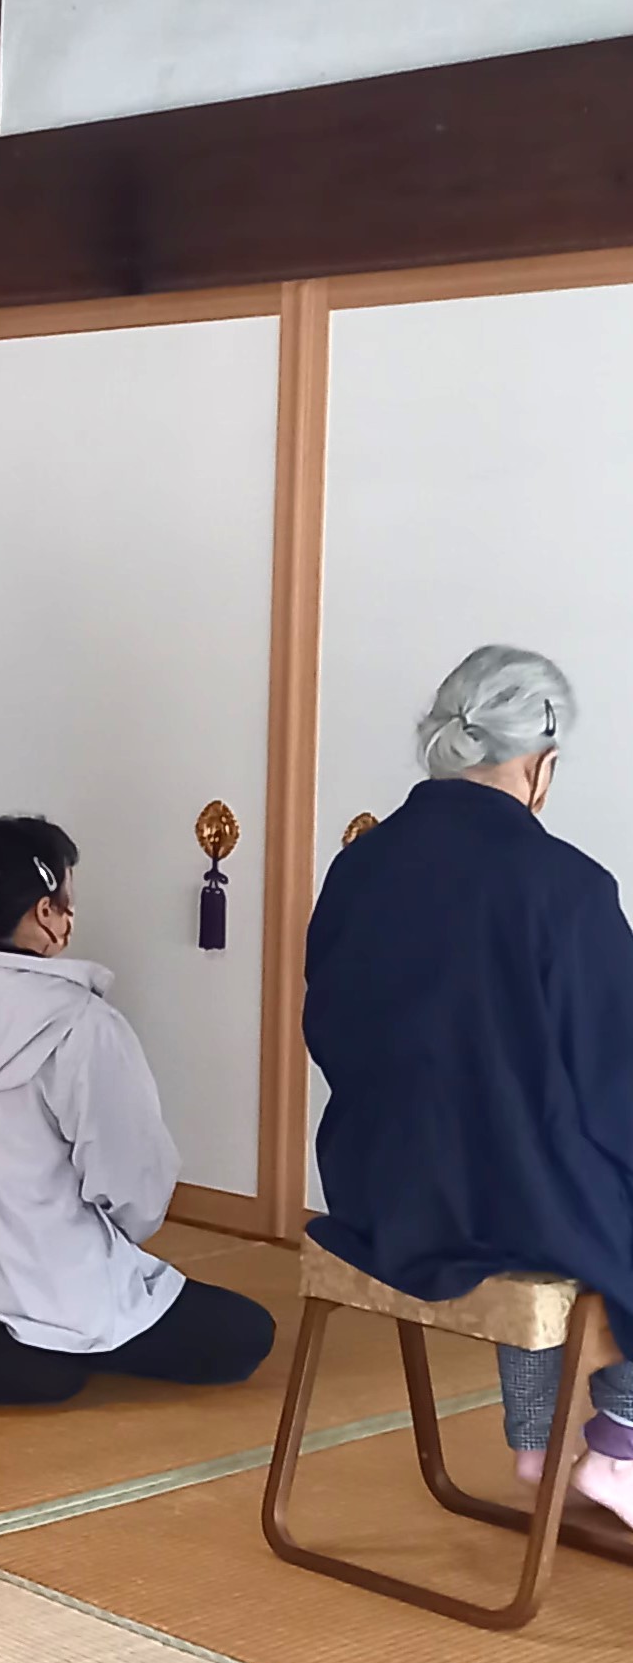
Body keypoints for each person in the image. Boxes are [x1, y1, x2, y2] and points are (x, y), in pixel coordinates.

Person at [307, 645, 633, 1525]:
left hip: (376, 1185)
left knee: (539, 1171)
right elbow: (615, 1072)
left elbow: (327, 1028)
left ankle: (536, 1445)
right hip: (509, 1200)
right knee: (571, 1182)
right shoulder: (567, 887)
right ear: (542, 765)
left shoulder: (360, 866)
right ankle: (623, 1446)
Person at [0, 818, 275, 1405]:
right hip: (50, 1282)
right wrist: (115, 1246)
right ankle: (38, 1348)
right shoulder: (81, 1024)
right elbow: (133, 1186)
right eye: (66, 899)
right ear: (46, 911)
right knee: (247, 1334)